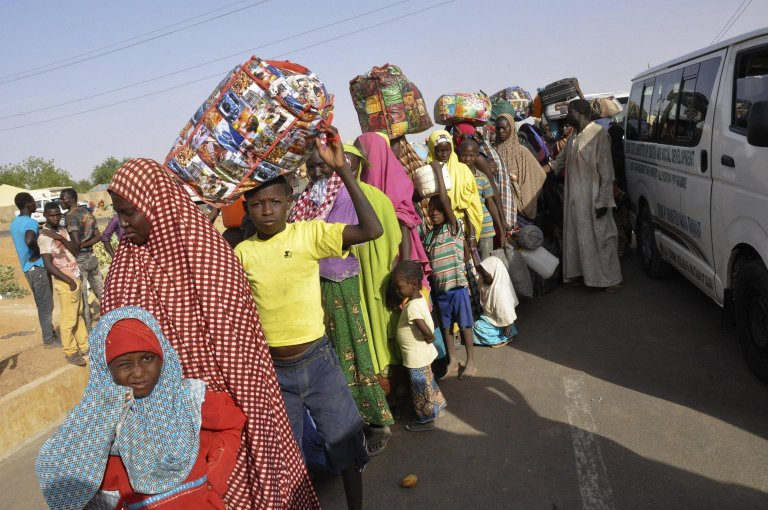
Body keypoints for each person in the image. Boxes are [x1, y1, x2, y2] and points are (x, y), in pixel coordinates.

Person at [101, 158, 317, 508]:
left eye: (129, 213)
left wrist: (215, 402)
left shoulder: (208, 256)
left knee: (239, 480)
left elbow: (238, 343)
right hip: (160, 413)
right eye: (118, 213)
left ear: (157, 206)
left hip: (224, 404)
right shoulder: (126, 265)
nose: (122, 223)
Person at [234, 126, 382, 510]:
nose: (267, 211)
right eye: (257, 205)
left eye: (274, 202)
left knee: (345, 443)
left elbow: (372, 229)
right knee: (287, 458)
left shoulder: (308, 235)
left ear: (288, 202)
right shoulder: (242, 253)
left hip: (317, 362)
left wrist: (344, 171)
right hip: (274, 371)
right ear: (248, 209)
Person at [35, 306, 246, 509]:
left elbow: (232, 422)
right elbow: (65, 475)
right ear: (104, 368)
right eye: (124, 364)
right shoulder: (97, 418)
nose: (138, 372)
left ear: (163, 358)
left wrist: (215, 476)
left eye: (147, 358)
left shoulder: (186, 399)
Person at [289, 149, 395, 457]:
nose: (316, 169)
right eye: (311, 165)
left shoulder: (344, 194)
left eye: (321, 163)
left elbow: (349, 235)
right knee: (330, 355)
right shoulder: (308, 197)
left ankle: (376, 422)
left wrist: (309, 244)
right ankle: (346, 423)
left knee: (351, 350)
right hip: (312, 282)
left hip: (336, 278)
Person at [547, 99, 623, 293]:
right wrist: (536, 172)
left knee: (602, 238)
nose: (566, 116)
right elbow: (559, 161)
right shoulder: (574, 137)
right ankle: (587, 277)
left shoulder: (599, 134)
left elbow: (607, 171)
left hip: (594, 197)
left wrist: (604, 201)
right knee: (581, 238)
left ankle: (611, 279)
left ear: (580, 113)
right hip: (576, 200)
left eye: (569, 112)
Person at [424, 166, 477, 380]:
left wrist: (437, 171)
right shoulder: (429, 237)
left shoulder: (452, 228)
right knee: (446, 327)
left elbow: (445, 200)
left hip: (457, 288)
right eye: (431, 210)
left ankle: (471, 361)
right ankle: (453, 361)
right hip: (441, 291)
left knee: (464, 324)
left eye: (439, 209)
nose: (435, 212)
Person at [355, 132, 431, 278]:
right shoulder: (359, 184)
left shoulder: (397, 183)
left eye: (361, 152)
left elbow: (405, 228)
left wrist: (404, 270)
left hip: (395, 258)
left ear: (374, 153)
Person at [391, 260, 446, 431]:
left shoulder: (413, 307)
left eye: (399, 287)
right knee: (428, 383)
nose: (396, 291)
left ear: (413, 284)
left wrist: (429, 337)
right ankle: (438, 406)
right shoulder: (419, 297)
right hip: (422, 355)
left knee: (420, 389)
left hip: (416, 358)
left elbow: (425, 330)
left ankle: (427, 419)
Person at [38, 202, 89, 366]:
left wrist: (60, 238)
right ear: (45, 216)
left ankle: (85, 346)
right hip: (65, 281)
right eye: (51, 215)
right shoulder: (44, 238)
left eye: (57, 215)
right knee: (68, 320)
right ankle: (71, 352)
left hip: (75, 277)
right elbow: (48, 265)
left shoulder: (62, 231)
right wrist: (69, 281)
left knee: (78, 315)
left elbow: (74, 251)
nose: (55, 218)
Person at [10, 193, 57, 348]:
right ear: (28, 204)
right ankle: (49, 339)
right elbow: (29, 240)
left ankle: (49, 333)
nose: (35, 204)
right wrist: (38, 253)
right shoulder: (29, 222)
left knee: (41, 303)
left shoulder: (15, 223)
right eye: (33, 202)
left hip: (28, 269)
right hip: (37, 268)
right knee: (46, 304)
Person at [426, 130, 484, 241]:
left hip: (459, 226)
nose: (444, 155)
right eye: (439, 151)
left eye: (447, 150)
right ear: (432, 150)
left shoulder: (462, 170)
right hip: (434, 228)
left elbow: (470, 206)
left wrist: (471, 236)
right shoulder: (427, 171)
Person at [494, 113, 549, 223]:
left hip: (519, 206)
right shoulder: (492, 151)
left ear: (512, 128)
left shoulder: (522, 152)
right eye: (498, 128)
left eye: (504, 128)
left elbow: (539, 174)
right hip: (499, 205)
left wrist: (522, 192)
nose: (501, 132)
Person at [458, 139, 505, 259]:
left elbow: (491, 205)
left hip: (485, 227)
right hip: (465, 229)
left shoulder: (482, 178)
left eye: (471, 155)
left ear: (477, 156)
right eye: (464, 155)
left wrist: (501, 230)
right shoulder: (456, 177)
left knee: (486, 263)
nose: (467, 158)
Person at [60, 188, 104, 303]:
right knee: (101, 293)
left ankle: (87, 320)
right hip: (91, 256)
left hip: (79, 258)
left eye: (63, 199)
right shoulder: (87, 213)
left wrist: (79, 246)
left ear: (72, 199)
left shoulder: (69, 216)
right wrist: (85, 244)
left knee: (83, 297)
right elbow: (98, 236)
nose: (61, 201)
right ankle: (111, 317)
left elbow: (76, 242)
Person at [471, 254, 519, 348]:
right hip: (494, 318)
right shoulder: (489, 284)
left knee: (475, 328)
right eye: (483, 276)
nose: (484, 279)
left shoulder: (500, 291)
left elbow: (505, 311)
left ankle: (501, 338)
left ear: (494, 273)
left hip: (504, 324)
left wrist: (506, 326)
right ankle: (506, 334)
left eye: (485, 276)